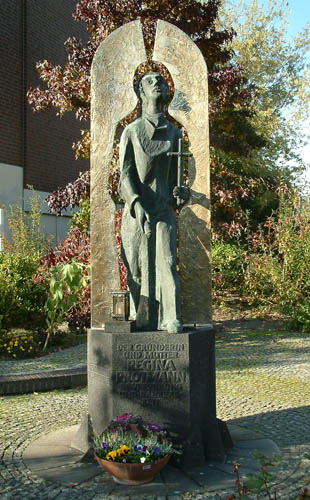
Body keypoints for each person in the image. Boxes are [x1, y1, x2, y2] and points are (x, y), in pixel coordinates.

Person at [119, 72, 188, 333]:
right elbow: (124, 176)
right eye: (149, 82)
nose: (156, 83)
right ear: (141, 93)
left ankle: (171, 317)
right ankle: (141, 318)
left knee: (168, 262)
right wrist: (136, 204)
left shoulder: (175, 134)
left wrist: (181, 193)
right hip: (137, 212)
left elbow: (177, 180)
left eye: (161, 80)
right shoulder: (133, 132)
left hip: (163, 211)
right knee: (136, 269)